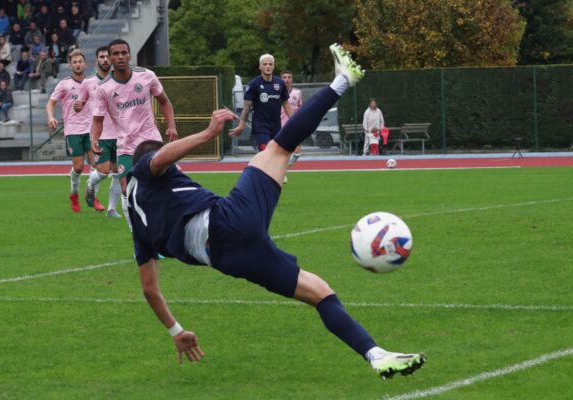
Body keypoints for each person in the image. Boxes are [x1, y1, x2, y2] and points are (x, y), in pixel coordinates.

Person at [125, 44, 425, 379]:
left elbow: (150, 289)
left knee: (319, 293)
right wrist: (208, 134)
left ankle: (376, 354)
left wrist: (176, 330)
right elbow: (160, 158)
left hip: (230, 260)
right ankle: (343, 80)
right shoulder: (147, 169)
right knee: (280, 147)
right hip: (228, 221)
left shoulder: (136, 220)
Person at [89, 39, 178, 229]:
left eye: (124, 53)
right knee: (126, 189)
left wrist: (172, 125)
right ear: (110, 58)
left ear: (130, 55)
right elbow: (97, 119)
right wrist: (94, 139)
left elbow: (164, 101)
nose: (120, 57)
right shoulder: (104, 88)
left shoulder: (146, 76)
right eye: (116, 54)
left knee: (161, 185)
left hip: (151, 142)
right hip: (125, 146)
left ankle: (164, 228)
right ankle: (139, 238)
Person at [46, 49, 105, 213]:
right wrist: (51, 117)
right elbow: (50, 103)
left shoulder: (93, 83)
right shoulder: (64, 84)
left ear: (85, 64)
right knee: (78, 167)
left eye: (80, 62)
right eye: (75, 62)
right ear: (70, 65)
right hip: (72, 130)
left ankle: (93, 196)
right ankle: (74, 194)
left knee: (97, 166)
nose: (78, 64)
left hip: (91, 130)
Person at [75, 46, 122, 218]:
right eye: (101, 57)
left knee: (118, 173)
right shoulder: (88, 83)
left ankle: (111, 209)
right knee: (103, 171)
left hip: (120, 134)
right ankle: (90, 184)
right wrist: (77, 106)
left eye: (106, 57)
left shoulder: (120, 80)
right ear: (97, 60)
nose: (104, 60)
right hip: (100, 134)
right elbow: (79, 104)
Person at [229, 54, 293, 152]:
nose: (268, 66)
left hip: (276, 126)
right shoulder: (254, 84)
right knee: (266, 150)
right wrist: (241, 125)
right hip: (260, 126)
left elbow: (286, 103)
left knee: (276, 154)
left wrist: (295, 120)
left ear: (273, 66)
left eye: (270, 64)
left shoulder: (280, 83)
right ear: (260, 67)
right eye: (265, 64)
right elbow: (246, 108)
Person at [280, 69, 303, 175]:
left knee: (297, 151)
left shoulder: (297, 93)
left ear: (292, 79)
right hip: (279, 126)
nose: (287, 80)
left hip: (293, 126)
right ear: (281, 79)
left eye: (289, 77)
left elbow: (300, 108)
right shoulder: (277, 93)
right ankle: (279, 171)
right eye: (284, 77)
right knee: (281, 152)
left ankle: (284, 169)